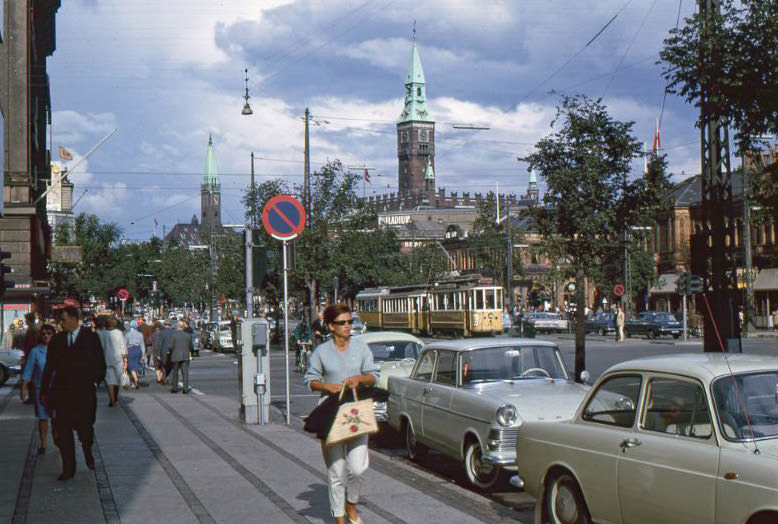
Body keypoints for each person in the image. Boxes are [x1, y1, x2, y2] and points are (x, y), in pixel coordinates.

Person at [304, 304, 379, 524]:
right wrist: (327, 387)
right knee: (336, 471)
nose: (347, 326)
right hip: (331, 415)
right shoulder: (321, 352)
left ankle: (351, 504)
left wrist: (359, 379)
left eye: (349, 322)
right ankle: (339, 519)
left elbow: (373, 375)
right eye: (342, 323)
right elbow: (310, 380)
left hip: (356, 413)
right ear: (330, 326)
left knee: (357, 468)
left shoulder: (361, 348)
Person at [40, 306, 106, 481]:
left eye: (63, 320)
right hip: (62, 395)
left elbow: (100, 363)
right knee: (63, 432)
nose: (61, 323)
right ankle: (69, 468)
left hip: (83, 395)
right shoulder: (57, 340)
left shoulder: (90, 338)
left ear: (74, 319)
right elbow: (49, 367)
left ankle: (87, 450)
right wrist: (44, 390)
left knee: (85, 431)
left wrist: (94, 382)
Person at [20, 323, 56, 454]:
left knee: (56, 418)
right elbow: (28, 370)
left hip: (57, 389)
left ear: (53, 335)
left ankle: (57, 438)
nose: (46, 336)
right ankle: (44, 444)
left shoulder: (59, 350)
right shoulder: (36, 351)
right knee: (43, 417)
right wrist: (23, 389)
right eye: (44, 333)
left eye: (49, 333)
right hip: (40, 389)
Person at [100, 317, 127, 406]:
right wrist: (125, 360)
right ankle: (116, 397)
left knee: (109, 380)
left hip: (106, 358)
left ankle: (111, 399)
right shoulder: (119, 333)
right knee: (118, 378)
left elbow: (100, 347)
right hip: (118, 358)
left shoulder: (102, 333)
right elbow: (123, 346)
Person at [166, 321, 193, 393]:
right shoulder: (188, 335)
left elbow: (171, 346)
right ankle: (185, 388)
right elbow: (191, 347)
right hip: (185, 355)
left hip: (175, 355)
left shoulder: (174, 335)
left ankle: (175, 388)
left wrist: (169, 351)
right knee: (185, 373)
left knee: (175, 373)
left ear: (178, 327)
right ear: (183, 327)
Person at [124, 320, 145, 389]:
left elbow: (125, 344)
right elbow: (142, 344)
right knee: (136, 364)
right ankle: (135, 383)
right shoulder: (140, 334)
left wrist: (125, 353)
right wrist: (143, 353)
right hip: (138, 350)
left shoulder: (127, 334)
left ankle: (136, 379)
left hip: (131, 350)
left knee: (131, 367)